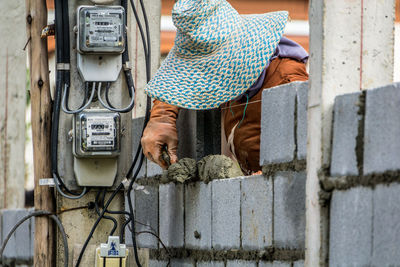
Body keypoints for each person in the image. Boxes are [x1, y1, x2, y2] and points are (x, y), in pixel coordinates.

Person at [141, 0, 308, 174]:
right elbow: (181, 81)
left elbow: (296, 167)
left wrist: (257, 182)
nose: (207, 78)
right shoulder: (235, 72)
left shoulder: (287, 82)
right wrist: (162, 118)